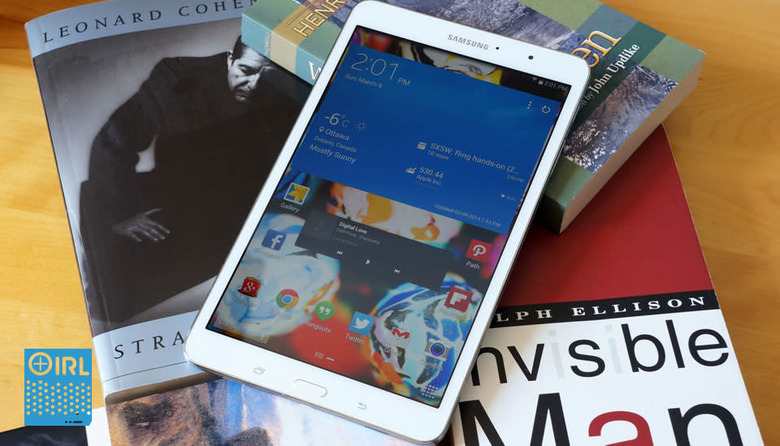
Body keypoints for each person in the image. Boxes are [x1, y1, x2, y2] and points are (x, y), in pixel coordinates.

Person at [80, 37, 307, 325]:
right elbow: (114, 141)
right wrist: (119, 216)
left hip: (234, 208)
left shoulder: (286, 94)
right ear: (230, 59)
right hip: (173, 199)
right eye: (246, 71)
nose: (254, 84)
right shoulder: (179, 75)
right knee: (114, 297)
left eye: (267, 77)